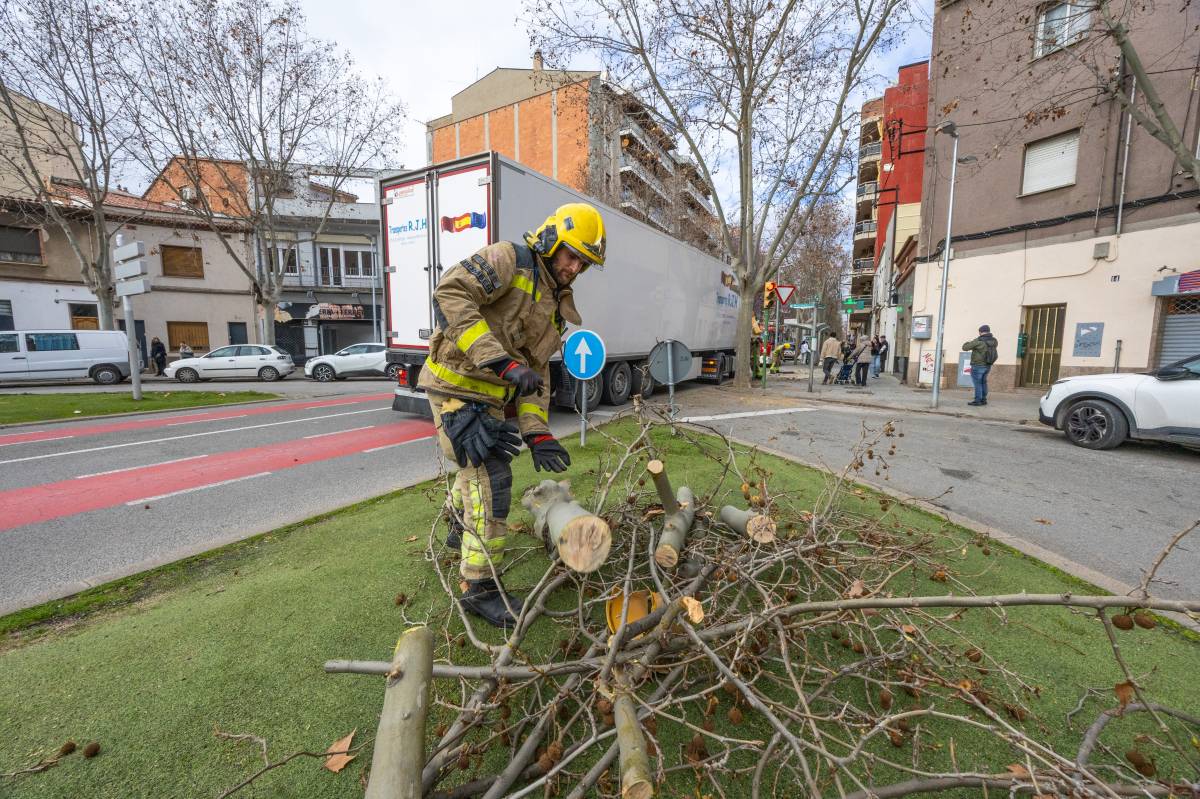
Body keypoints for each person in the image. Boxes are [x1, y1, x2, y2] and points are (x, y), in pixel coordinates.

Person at [419, 202, 604, 628]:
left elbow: (536, 369)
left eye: (584, 263)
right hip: (452, 388)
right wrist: (499, 361)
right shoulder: (508, 259)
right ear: (552, 241)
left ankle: (457, 525)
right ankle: (478, 585)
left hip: (486, 399)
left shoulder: (556, 306)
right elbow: (450, 293)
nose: (575, 268)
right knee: (491, 478)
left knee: (476, 473)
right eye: (571, 255)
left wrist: (537, 431)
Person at [962, 324, 999, 406]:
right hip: (988, 365)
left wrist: (969, 342)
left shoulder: (979, 341)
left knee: (978, 383)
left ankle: (978, 400)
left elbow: (965, 347)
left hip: (978, 366)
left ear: (980, 332)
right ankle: (983, 399)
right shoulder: (994, 341)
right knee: (983, 382)